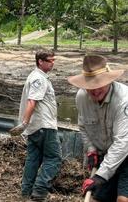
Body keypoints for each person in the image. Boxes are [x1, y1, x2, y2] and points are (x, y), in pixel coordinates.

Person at [68, 54, 127, 202]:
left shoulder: (123, 100)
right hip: (106, 154)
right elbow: (83, 126)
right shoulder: (81, 97)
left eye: (98, 85)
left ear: (108, 80)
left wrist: (100, 176)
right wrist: (91, 149)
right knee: (98, 198)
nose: (94, 91)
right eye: (90, 87)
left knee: (122, 199)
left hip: (126, 151)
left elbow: (123, 142)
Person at [10, 50, 61, 201]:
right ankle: (39, 190)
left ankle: (26, 191)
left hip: (35, 127)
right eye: (50, 60)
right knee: (54, 158)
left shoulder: (36, 77)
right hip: (44, 125)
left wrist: (26, 125)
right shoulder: (39, 78)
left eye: (53, 60)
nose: (53, 63)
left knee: (33, 158)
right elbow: (32, 101)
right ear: (40, 61)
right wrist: (24, 123)